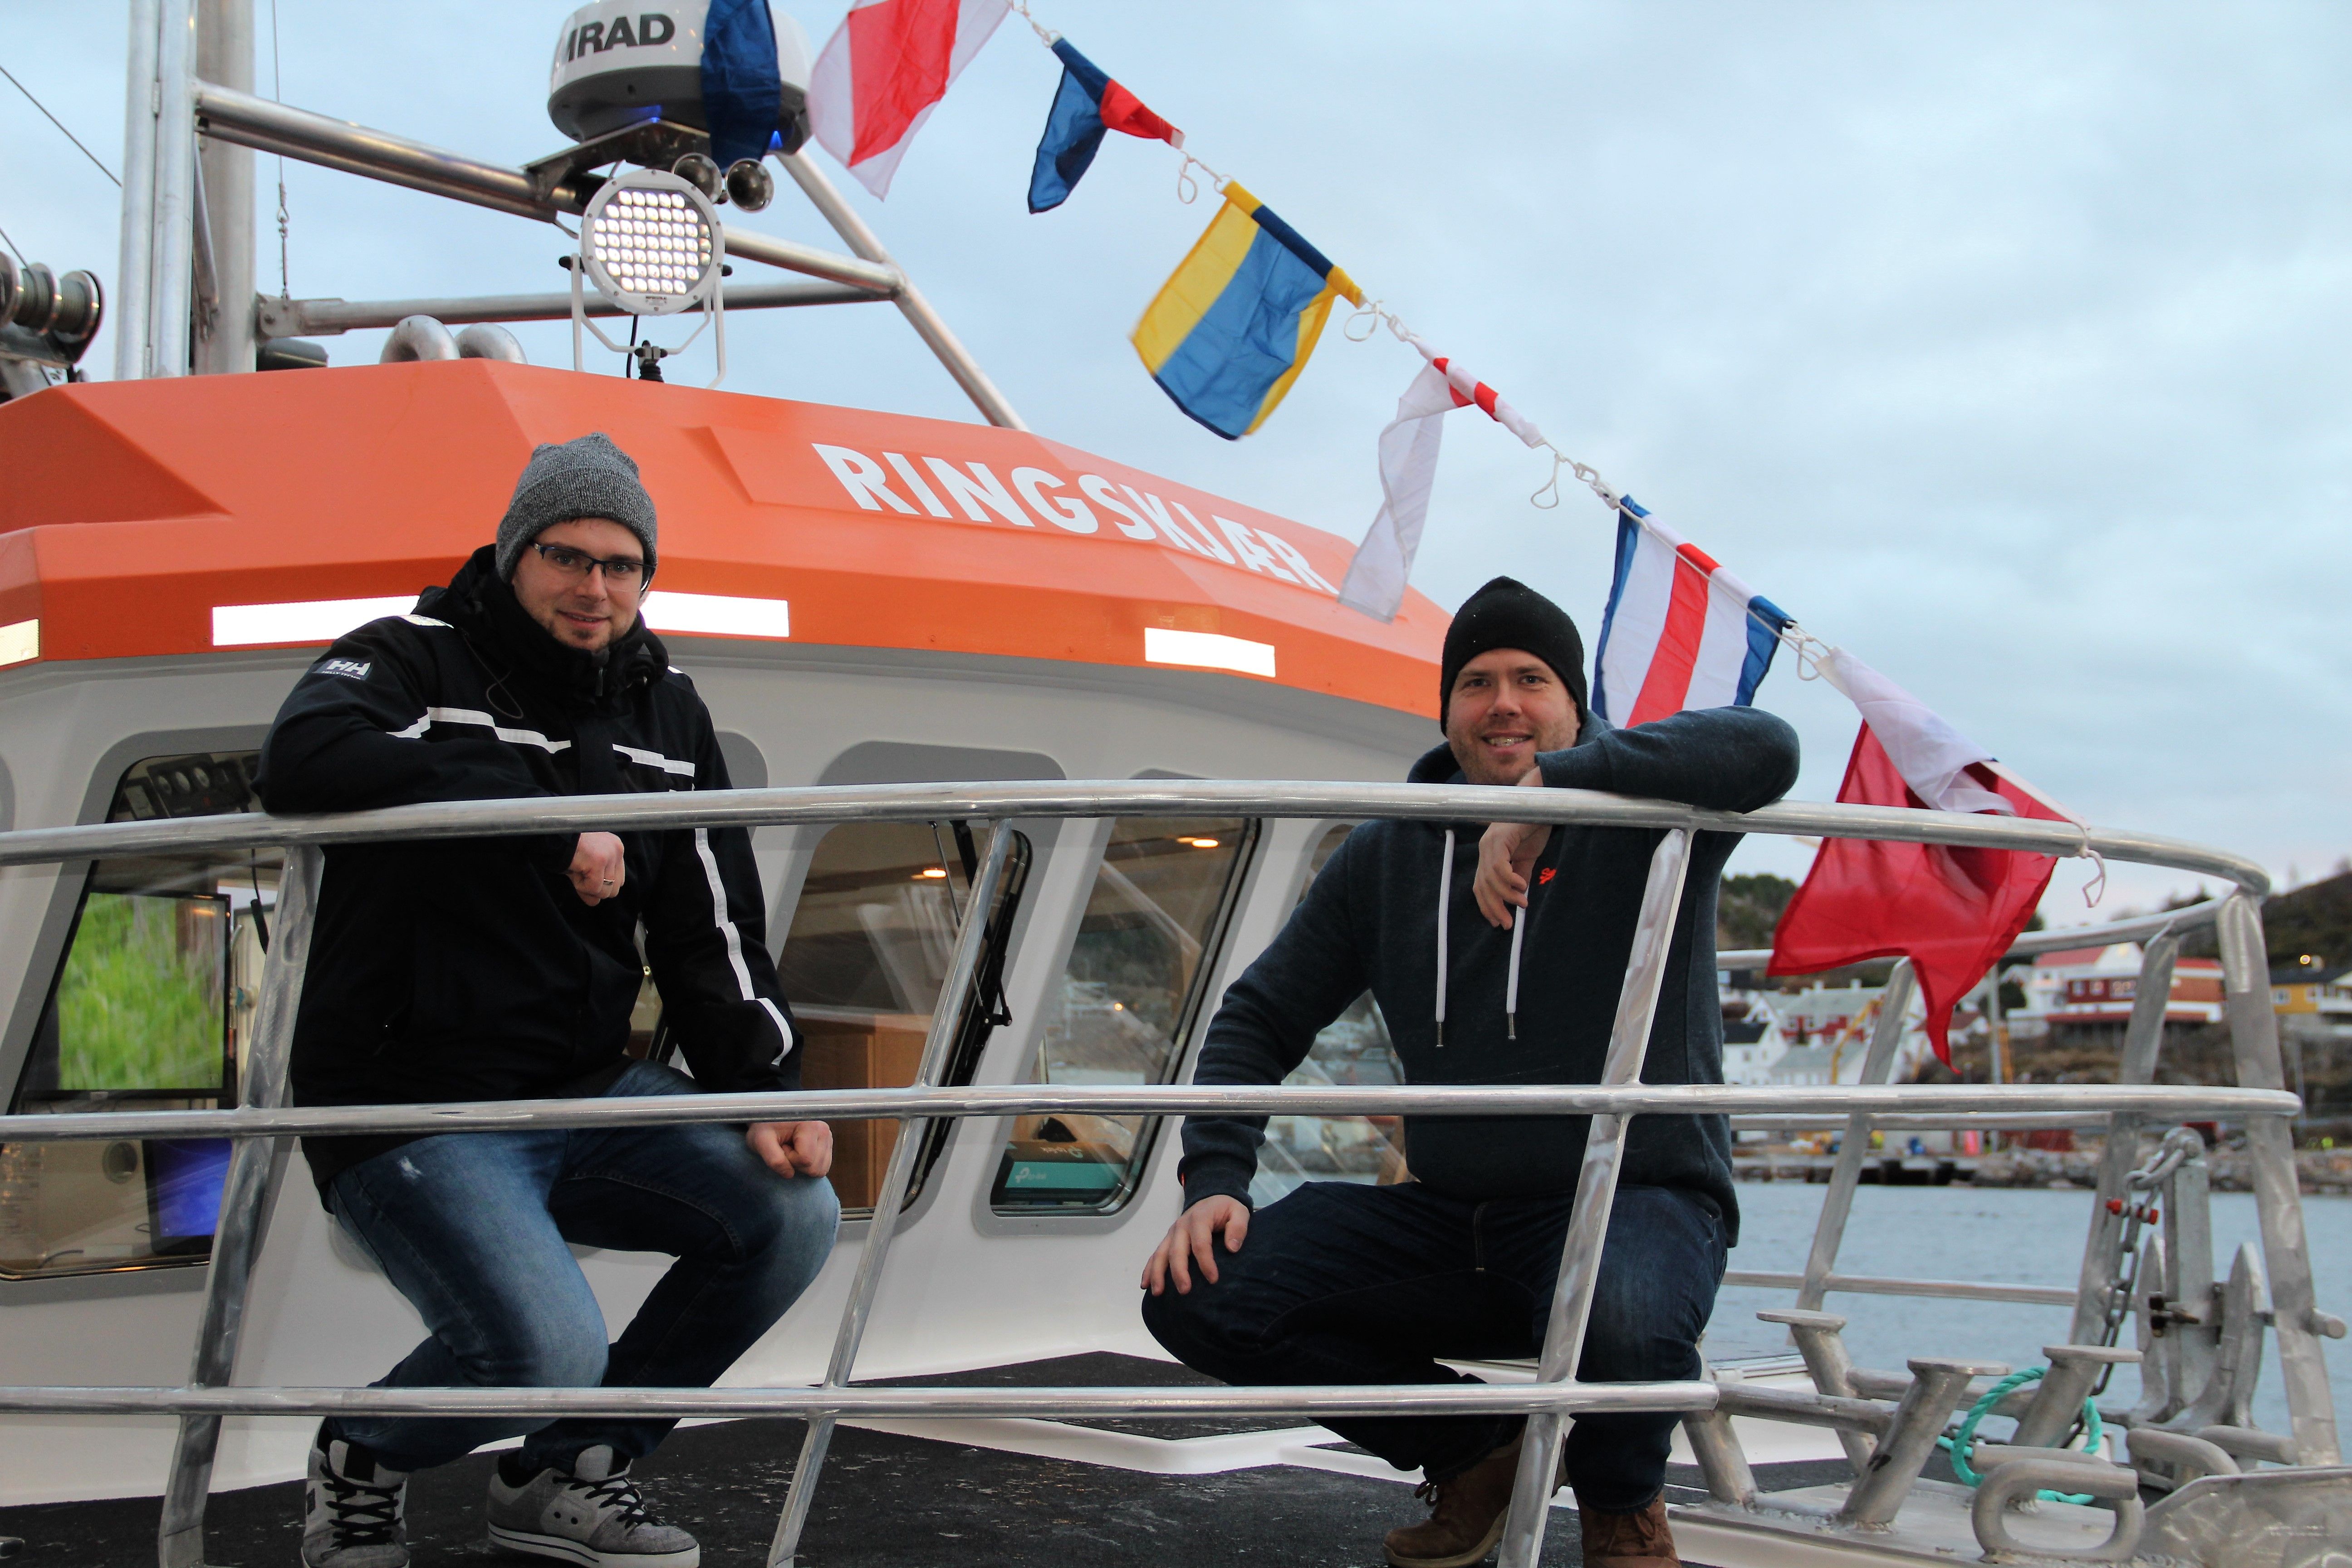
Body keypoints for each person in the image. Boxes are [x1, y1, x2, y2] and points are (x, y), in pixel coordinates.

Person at [259, 433, 840, 1568]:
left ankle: (567, 1470)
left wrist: (767, 1085)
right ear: (516, 552)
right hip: (408, 1103)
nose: (594, 587)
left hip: (578, 1089)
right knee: (547, 1350)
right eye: (567, 557)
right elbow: (303, 758)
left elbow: (710, 927)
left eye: (622, 565)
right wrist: (543, 819)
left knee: (792, 1216)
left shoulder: (666, 709)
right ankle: (362, 1456)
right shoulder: (408, 657)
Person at [1140, 576, 1799, 1568]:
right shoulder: (1387, 854)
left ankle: (1623, 1508)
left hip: (1636, 1197)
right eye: (1477, 683)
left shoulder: (1656, 819)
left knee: (1621, 1313)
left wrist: (1552, 793)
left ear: (1573, 705)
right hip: (1453, 1216)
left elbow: (1769, 747)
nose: (1504, 704)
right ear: (1447, 708)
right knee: (1199, 1293)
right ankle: (1475, 1449)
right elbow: (1258, 1016)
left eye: (1532, 680)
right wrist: (1217, 1178)